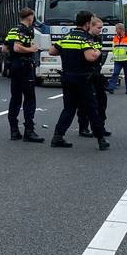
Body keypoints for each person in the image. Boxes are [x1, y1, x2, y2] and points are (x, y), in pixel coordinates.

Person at [48, 10, 109, 150]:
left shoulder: (67, 36)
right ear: (87, 24)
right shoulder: (84, 38)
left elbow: (52, 51)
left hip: (67, 77)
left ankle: (58, 136)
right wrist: (98, 51)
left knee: (68, 108)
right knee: (92, 109)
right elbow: (90, 57)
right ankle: (101, 139)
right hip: (83, 78)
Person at [5, 7, 44, 143]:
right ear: (30, 17)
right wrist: (31, 49)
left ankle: (14, 130)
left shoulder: (12, 30)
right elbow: (16, 47)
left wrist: (13, 57)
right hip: (24, 67)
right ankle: (29, 131)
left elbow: (5, 48)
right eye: (33, 16)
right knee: (29, 99)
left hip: (14, 66)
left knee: (15, 98)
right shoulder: (24, 30)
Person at [78, 16, 111, 138]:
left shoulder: (98, 38)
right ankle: (83, 127)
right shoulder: (85, 38)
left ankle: (100, 126)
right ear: (90, 26)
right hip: (86, 74)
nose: (100, 30)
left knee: (101, 101)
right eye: (98, 28)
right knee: (85, 103)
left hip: (96, 73)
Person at [107, 23, 127, 94]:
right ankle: (111, 88)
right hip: (117, 60)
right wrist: (114, 53)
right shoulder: (115, 37)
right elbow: (113, 47)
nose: (115, 31)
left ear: (121, 29)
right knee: (115, 73)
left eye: (116, 29)